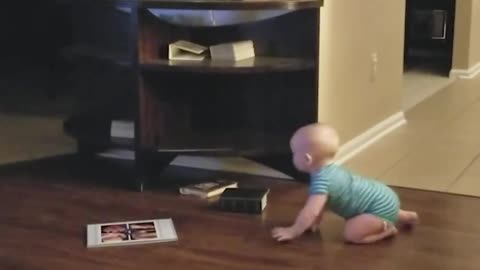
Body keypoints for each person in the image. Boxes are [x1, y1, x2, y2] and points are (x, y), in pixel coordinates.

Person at [272, 123, 418, 244]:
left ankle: (387, 229)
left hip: (376, 210)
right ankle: (406, 216)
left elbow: (311, 211)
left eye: (294, 153)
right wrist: (315, 222)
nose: (292, 156)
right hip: (384, 196)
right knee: (385, 209)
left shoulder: (322, 181)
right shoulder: (331, 170)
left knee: (352, 234)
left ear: (307, 159)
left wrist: (293, 231)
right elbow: (321, 206)